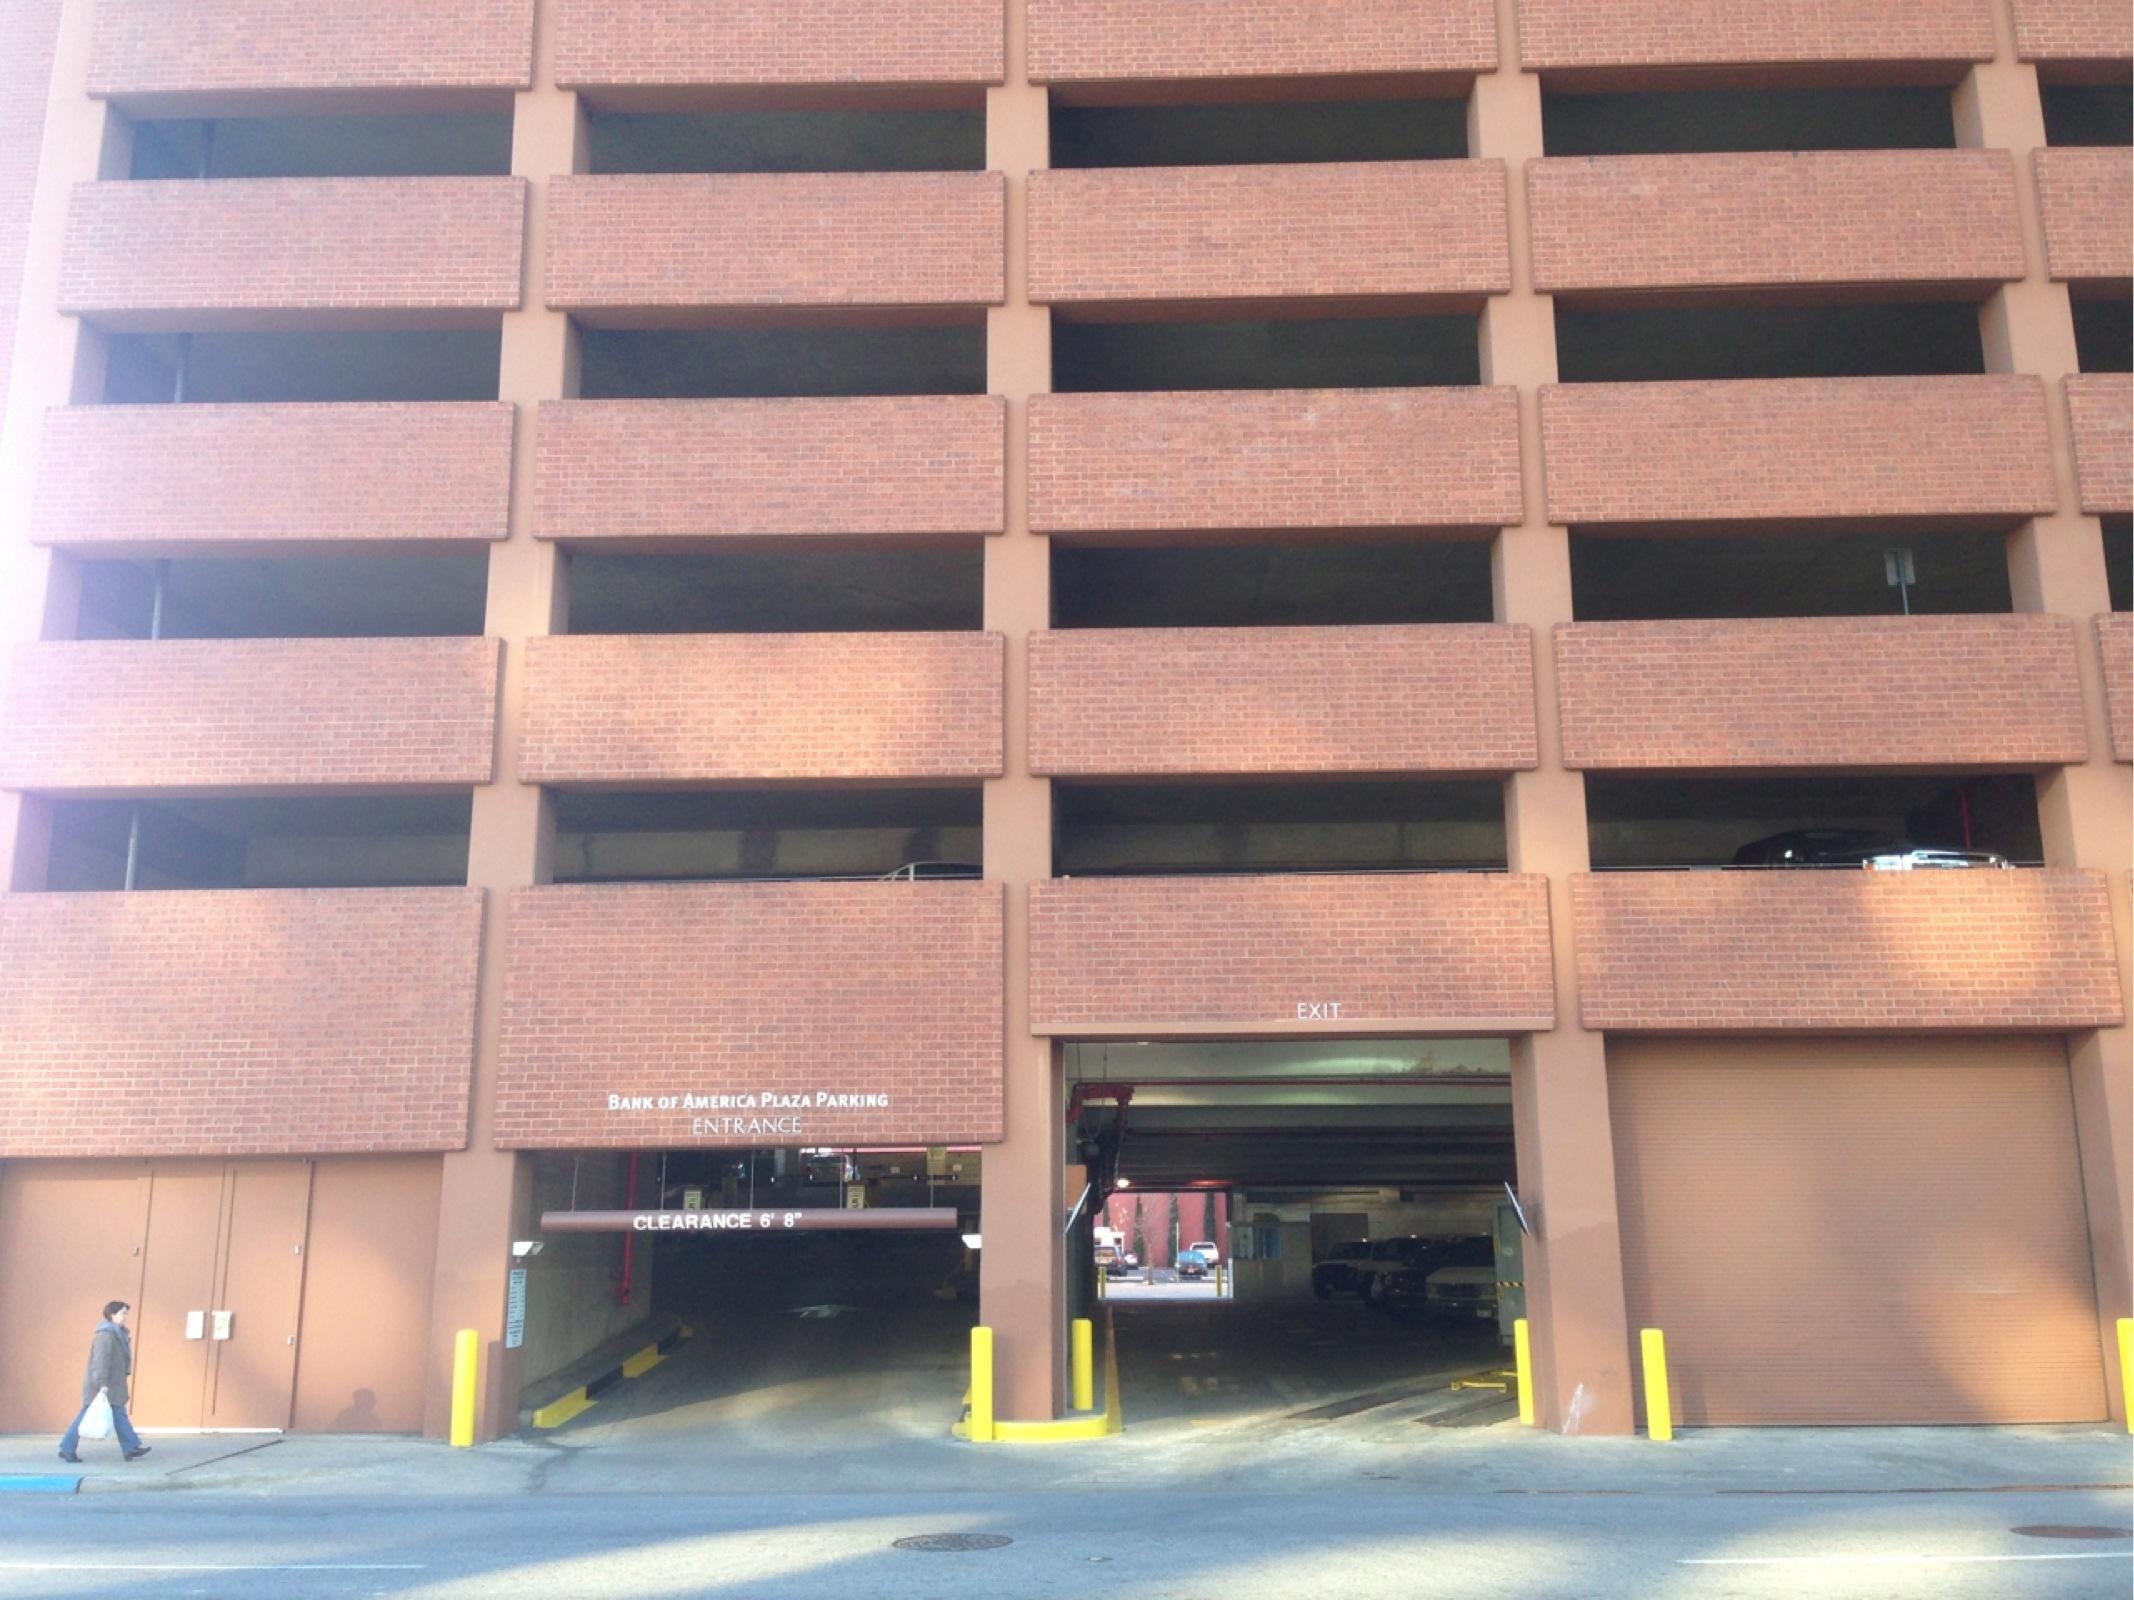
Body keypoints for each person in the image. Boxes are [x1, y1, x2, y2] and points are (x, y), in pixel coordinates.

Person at [57, 1301, 150, 1464]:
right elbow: (100, 1361)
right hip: (102, 1385)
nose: (125, 1316)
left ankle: (131, 1447)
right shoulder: (106, 1336)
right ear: (112, 1315)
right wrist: (102, 1384)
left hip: (112, 1385)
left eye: (126, 1313)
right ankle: (67, 1448)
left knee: (119, 1414)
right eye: (122, 1313)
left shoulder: (118, 1334)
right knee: (86, 1415)